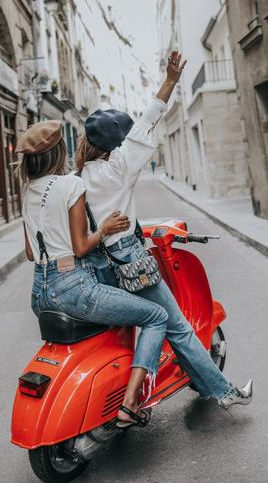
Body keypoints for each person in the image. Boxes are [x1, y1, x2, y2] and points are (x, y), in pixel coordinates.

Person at [75, 51, 253, 410]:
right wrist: (170, 80)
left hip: (97, 265)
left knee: (136, 326)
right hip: (130, 263)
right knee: (177, 326)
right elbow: (146, 124)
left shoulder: (80, 177)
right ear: (115, 144)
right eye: (123, 140)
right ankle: (223, 392)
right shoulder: (118, 169)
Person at [17, 120, 169, 428]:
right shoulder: (71, 185)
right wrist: (104, 230)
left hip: (39, 291)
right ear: (59, 152)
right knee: (156, 316)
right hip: (73, 288)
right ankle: (129, 404)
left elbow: (31, 253)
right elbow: (81, 246)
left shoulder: (27, 191)